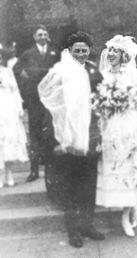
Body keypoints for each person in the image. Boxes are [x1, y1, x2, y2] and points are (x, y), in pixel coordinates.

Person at [38, 31, 105, 248]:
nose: (81, 53)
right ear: (69, 51)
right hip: (66, 139)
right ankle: (73, 229)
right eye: (77, 50)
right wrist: (56, 141)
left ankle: (87, 224)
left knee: (89, 184)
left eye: (85, 50)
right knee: (70, 186)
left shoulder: (93, 72)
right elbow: (49, 107)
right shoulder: (59, 72)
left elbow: (102, 100)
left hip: (89, 136)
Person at [96, 35, 137, 237]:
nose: (110, 54)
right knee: (115, 166)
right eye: (109, 50)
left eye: (114, 51)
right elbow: (99, 98)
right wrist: (105, 106)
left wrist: (128, 103)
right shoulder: (104, 74)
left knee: (131, 167)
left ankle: (127, 215)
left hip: (129, 124)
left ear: (123, 55)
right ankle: (119, 205)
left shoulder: (131, 73)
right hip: (110, 125)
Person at [13, 24, 59, 182]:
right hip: (35, 100)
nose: (43, 37)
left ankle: (52, 170)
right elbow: (16, 68)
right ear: (34, 37)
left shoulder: (55, 52)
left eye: (45, 34)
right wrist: (24, 75)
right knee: (35, 134)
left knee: (52, 133)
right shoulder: (27, 54)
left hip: (51, 100)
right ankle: (34, 171)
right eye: (40, 34)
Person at [0, 48, 28, 187]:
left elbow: (15, 90)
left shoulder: (8, 72)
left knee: (10, 139)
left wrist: (18, 108)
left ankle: (9, 173)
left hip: (8, 107)